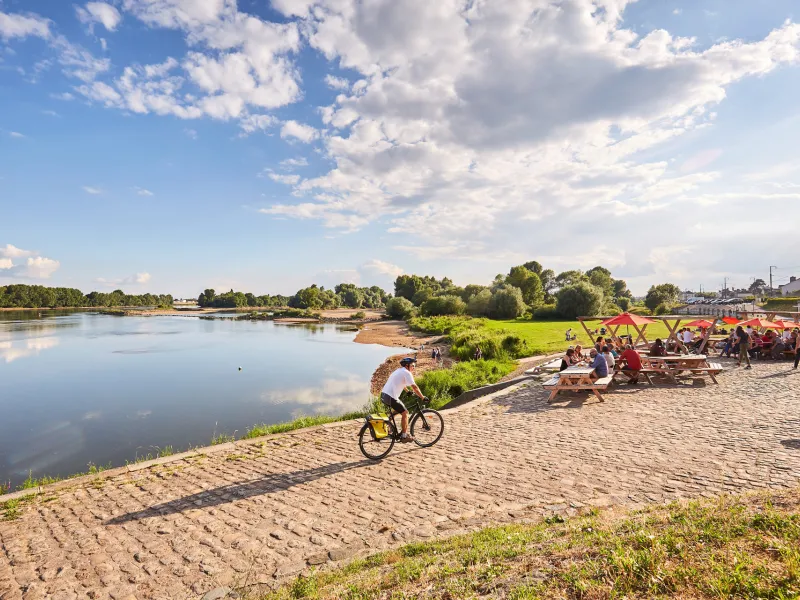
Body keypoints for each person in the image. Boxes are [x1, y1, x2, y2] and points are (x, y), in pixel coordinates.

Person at [380, 357, 428, 442]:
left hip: (384, 395)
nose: (414, 367)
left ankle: (388, 424)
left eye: (414, 366)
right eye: (412, 365)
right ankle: (404, 436)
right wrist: (422, 397)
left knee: (399, 409)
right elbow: (415, 387)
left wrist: (407, 391)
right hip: (391, 396)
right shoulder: (406, 373)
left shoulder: (398, 371)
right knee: (405, 413)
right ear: (407, 365)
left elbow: (402, 383)